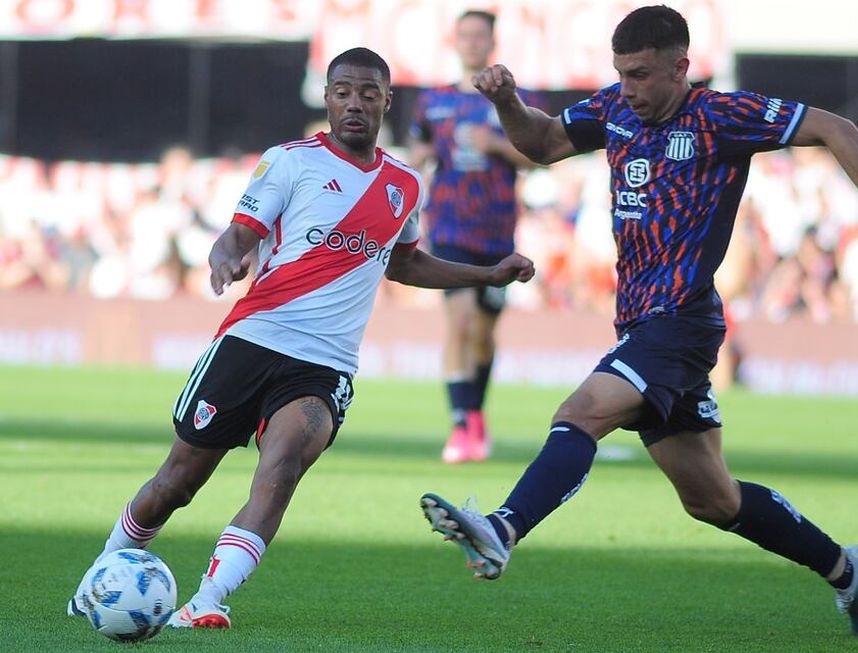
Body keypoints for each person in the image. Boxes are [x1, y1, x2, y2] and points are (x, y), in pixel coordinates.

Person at [419, 5, 858, 637]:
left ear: (682, 68)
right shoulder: (615, 109)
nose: (629, 87)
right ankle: (847, 569)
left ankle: (502, 528)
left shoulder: (721, 116)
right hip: (639, 323)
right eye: (622, 73)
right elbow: (541, 143)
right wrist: (509, 101)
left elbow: (837, 127)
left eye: (643, 74)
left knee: (581, 413)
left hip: (680, 319)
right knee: (712, 498)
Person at [67, 47, 534, 631]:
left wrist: (486, 273)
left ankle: (209, 600)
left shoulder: (404, 185)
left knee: (282, 467)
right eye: (343, 92)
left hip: (324, 365)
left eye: (368, 93)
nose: (355, 104)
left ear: (388, 101)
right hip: (253, 339)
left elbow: (405, 264)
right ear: (327, 98)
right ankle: (101, 573)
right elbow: (238, 236)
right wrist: (227, 261)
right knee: (178, 480)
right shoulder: (289, 162)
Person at [408, 10, 542, 463]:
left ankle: (476, 413)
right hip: (447, 226)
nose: (470, 42)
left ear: (491, 41)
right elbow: (419, 150)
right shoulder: (433, 100)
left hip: (498, 230)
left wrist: (498, 146)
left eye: (478, 35)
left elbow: (539, 154)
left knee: (484, 332)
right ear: (455, 40)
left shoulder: (514, 100)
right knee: (459, 322)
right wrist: (419, 157)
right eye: (463, 34)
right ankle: (461, 423)